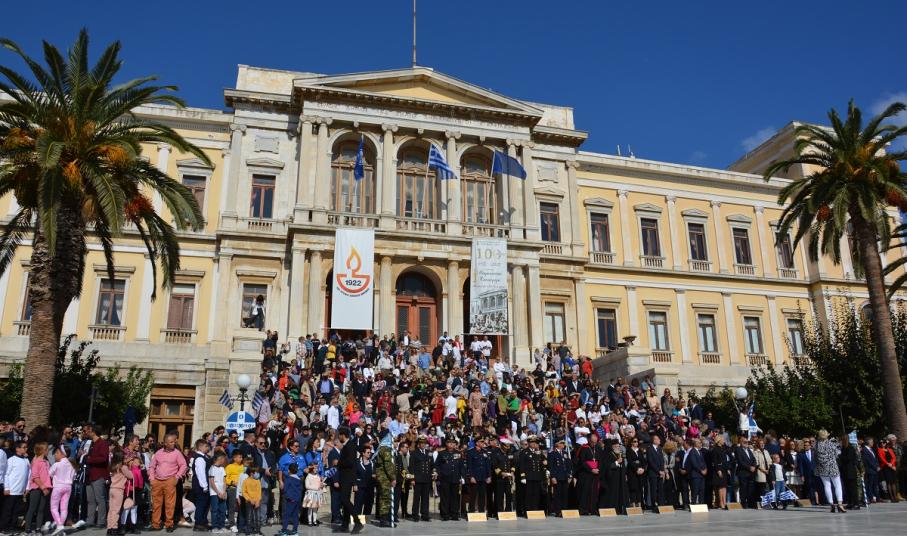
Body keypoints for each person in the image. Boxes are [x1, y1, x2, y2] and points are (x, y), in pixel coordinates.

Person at [148, 432, 189, 531]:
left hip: (170, 480)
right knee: (156, 504)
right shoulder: (158, 453)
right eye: (171, 442)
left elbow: (183, 465)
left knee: (170, 504)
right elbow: (152, 466)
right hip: (157, 481)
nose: (173, 443)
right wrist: (152, 478)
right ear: (165, 443)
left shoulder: (177, 453)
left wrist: (177, 477)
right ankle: (155, 524)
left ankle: (169, 524)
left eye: (173, 441)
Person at [335, 427, 363, 534]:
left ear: (343, 435)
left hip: (347, 477)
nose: (339, 437)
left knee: (345, 500)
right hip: (345, 477)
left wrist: (338, 463)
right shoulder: (347, 445)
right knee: (345, 500)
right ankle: (345, 525)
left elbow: (351, 462)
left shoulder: (350, 445)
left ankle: (357, 521)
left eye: (339, 435)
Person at [84, 424, 111, 528]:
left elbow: (103, 458)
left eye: (88, 430)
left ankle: (101, 521)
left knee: (100, 499)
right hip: (89, 475)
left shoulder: (103, 443)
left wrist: (90, 459)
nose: (86, 432)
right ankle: (90, 520)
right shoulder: (90, 443)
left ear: (93, 431)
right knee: (90, 500)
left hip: (98, 475)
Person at [0, 441, 29, 532]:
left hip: (20, 490)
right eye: (24, 447)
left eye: (26, 447)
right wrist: (6, 488)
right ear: (17, 449)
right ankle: (4, 527)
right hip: (11, 490)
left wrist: (27, 487)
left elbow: (28, 475)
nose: (26, 449)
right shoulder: (11, 460)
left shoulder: (26, 460)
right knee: (8, 510)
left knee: (16, 511)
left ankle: (13, 526)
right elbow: (6, 474)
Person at [815, 429, 845, 513]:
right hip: (832, 466)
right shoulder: (831, 443)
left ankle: (831, 504)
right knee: (837, 485)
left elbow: (815, 456)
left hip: (822, 467)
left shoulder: (816, 445)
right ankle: (840, 503)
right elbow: (837, 453)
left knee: (827, 486)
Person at [24, 441, 51, 534]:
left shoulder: (46, 462)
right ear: (43, 450)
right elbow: (35, 477)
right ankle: (27, 528)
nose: (48, 451)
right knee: (32, 508)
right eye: (47, 449)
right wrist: (43, 487)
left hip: (45, 488)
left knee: (41, 509)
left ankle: (38, 528)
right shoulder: (36, 462)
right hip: (36, 488)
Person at [49, 444, 77, 535]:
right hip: (68, 487)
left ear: (63, 454)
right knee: (64, 508)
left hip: (58, 487)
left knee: (54, 507)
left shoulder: (57, 464)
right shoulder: (71, 465)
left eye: (57, 453)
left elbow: (50, 474)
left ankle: (59, 525)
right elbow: (74, 476)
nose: (55, 454)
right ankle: (60, 528)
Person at [435, 437, 464, 521]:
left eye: (453, 442)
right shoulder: (441, 453)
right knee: (445, 497)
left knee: (455, 497)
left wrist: (462, 476)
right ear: (446, 444)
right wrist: (439, 474)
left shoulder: (458, 453)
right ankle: (445, 514)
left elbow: (461, 466)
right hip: (445, 478)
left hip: (455, 478)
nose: (452, 444)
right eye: (450, 442)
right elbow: (437, 465)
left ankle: (454, 514)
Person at [107, 450, 134, 536]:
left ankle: (109, 528)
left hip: (112, 488)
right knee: (116, 510)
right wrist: (129, 467)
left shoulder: (112, 466)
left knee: (111, 510)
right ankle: (114, 529)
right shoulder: (123, 467)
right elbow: (131, 476)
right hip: (119, 490)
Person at [373, 434, 396, 527]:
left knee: (384, 497)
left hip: (383, 477)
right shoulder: (386, 449)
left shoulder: (382, 449)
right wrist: (393, 478)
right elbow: (388, 465)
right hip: (384, 478)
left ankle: (386, 518)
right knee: (385, 498)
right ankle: (384, 520)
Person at [408, 437, 433, 522]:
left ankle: (425, 514)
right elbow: (411, 467)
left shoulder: (429, 453)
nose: (423, 444)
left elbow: (432, 465)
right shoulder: (414, 453)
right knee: (416, 498)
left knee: (425, 498)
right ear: (418, 444)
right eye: (421, 443)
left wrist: (434, 472)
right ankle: (415, 515)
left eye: (424, 443)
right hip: (418, 479)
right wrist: (412, 479)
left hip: (427, 478)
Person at [191, 439, 211, 531]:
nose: (207, 448)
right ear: (200, 447)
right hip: (200, 486)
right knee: (201, 504)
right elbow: (201, 473)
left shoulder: (204, 457)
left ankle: (203, 522)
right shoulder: (199, 458)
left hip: (203, 485)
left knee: (205, 504)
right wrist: (204, 486)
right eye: (206, 446)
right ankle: (198, 523)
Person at [547, 439, 571, 516]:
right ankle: (558, 511)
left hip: (564, 476)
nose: (563, 445)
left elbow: (568, 465)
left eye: (563, 443)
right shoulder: (552, 453)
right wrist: (553, 477)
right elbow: (551, 466)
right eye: (561, 443)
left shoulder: (565, 453)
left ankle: (564, 510)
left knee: (565, 494)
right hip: (557, 477)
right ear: (557, 444)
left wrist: (569, 475)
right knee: (558, 495)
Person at [208, 451, 228, 533]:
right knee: (215, 510)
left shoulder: (222, 468)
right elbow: (212, 482)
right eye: (224, 459)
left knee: (222, 510)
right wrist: (218, 492)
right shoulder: (212, 468)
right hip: (214, 493)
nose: (224, 460)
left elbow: (224, 481)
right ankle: (214, 527)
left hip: (222, 492)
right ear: (220, 458)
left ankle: (222, 526)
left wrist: (224, 491)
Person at [280, 463, 302, 536]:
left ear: (289, 470)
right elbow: (300, 489)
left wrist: (282, 488)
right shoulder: (299, 479)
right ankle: (295, 531)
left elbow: (285, 489)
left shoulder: (288, 479)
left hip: (290, 499)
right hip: (297, 500)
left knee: (287, 515)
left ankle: (284, 531)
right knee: (295, 515)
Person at [709, 436, 731, 509]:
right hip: (719, 470)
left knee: (724, 486)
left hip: (724, 469)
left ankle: (724, 501)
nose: (724, 441)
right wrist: (718, 470)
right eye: (723, 440)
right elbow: (715, 461)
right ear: (719, 441)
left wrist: (728, 469)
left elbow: (725, 460)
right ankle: (720, 502)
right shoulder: (715, 449)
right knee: (720, 487)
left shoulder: (723, 448)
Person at [225, 450, 244, 531]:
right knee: (232, 506)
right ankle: (232, 524)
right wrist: (232, 482)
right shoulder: (229, 467)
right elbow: (225, 478)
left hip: (242, 489)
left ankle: (240, 523)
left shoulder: (243, 466)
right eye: (240, 457)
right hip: (233, 488)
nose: (241, 459)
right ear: (234, 458)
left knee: (241, 506)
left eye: (242, 457)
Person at [242, 468, 263, 536]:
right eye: (254, 472)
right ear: (251, 473)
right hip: (249, 501)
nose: (255, 473)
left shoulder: (257, 481)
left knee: (258, 516)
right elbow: (244, 492)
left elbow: (259, 492)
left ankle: (258, 530)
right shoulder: (245, 481)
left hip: (257, 501)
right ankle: (249, 530)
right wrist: (249, 499)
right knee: (249, 516)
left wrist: (258, 500)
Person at [878, 437, 899, 502]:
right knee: (889, 482)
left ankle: (895, 496)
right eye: (881, 443)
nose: (883, 444)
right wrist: (888, 464)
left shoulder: (889, 449)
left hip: (891, 466)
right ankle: (891, 497)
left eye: (884, 443)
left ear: (886, 443)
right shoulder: (879, 450)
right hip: (885, 467)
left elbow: (894, 457)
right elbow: (881, 458)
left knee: (893, 482)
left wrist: (892, 464)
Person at [861, 437, 880, 503]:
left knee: (875, 484)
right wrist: (875, 467)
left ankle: (876, 497)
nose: (872, 443)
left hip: (874, 470)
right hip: (870, 470)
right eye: (871, 442)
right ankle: (870, 497)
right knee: (870, 485)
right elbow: (868, 461)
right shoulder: (864, 450)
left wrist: (877, 465)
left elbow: (875, 458)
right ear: (868, 442)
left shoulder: (871, 449)